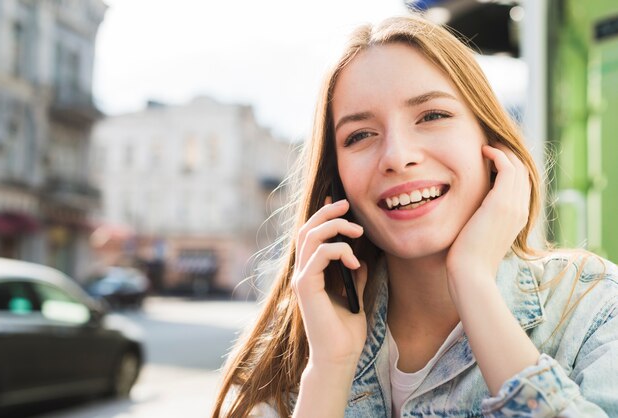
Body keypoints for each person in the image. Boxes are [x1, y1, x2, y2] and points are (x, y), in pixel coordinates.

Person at [212, 13, 618, 418]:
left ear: (491, 141)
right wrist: (330, 369)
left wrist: (473, 283)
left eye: (432, 116)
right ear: (336, 181)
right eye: (360, 135)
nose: (398, 157)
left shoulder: (592, 305)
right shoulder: (300, 348)